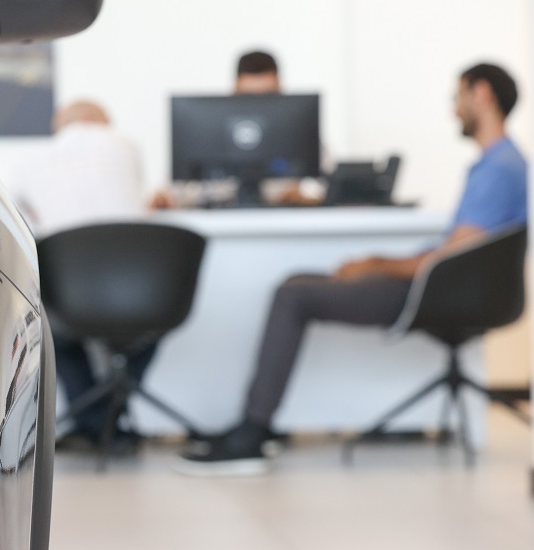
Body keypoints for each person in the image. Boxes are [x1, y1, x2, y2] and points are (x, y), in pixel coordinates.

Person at [176, 63, 528, 475]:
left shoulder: (498, 168)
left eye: (457, 97)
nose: (453, 109)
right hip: (445, 287)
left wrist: (376, 264)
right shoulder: (503, 162)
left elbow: (451, 256)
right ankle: (256, 428)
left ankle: (253, 432)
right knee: (296, 284)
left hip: (434, 293)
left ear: (481, 94)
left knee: (293, 295)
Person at [9, 101, 154, 448]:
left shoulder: (29, 160)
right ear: (102, 122)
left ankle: (94, 420)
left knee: (55, 333)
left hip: (73, 302)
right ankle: (108, 419)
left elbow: (19, 217)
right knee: (152, 330)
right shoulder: (128, 146)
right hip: (144, 299)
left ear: (61, 125)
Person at [152, 49, 319, 208]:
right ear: (234, 89)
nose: (258, 107)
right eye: (248, 97)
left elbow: (326, 188)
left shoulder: (302, 135)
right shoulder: (205, 134)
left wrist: (304, 196)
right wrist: (167, 200)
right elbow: (172, 191)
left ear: (280, 88)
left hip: (282, 224)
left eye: (268, 98)